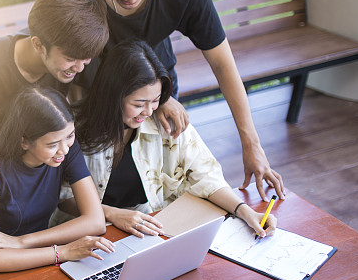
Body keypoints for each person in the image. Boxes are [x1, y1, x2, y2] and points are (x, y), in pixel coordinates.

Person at [60, 0, 285, 201]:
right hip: (90, 100)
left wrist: (251, 144)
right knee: (97, 189)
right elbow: (54, 68)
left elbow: (222, 64)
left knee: (158, 184)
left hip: (155, 92)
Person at [56, 40, 276, 240]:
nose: (148, 111)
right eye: (139, 103)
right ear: (113, 95)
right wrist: (113, 214)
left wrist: (246, 212)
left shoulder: (164, 121)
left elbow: (205, 176)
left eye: (156, 100)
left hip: (148, 229)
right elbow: (62, 196)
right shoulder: (72, 128)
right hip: (87, 235)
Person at [0, 86, 113, 273]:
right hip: (4, 263)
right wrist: (62, 252)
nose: (64, 150)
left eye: (70, 136)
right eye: (52, 144)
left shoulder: (66, 150)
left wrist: (22, 241)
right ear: (25, 141)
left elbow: (95, 221)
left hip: (38, 256)